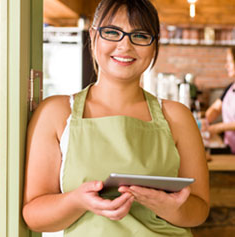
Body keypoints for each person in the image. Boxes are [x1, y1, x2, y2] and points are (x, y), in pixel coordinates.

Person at [22, 0, 210, 236]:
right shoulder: (55, 113)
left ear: (154, 45)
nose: (125, 46)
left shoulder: (178, 116)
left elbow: (200, 209)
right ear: (93, 36)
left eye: (140, 35)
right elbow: (34, 217)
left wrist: (172, 209)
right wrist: (77, 201)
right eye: (112, 32)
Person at [202, 47, 235, 153]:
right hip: (230, 147)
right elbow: (216, 109)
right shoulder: (230, 87)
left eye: (230, 62)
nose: (226, 66)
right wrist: (204, 121)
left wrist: (217, 128)